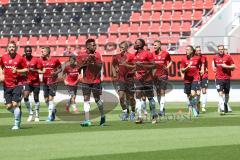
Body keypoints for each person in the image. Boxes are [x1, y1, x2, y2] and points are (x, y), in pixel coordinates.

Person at [127, 39, 157, 124]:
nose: (134, 44)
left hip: (147, 79)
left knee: (150, 97)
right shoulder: (134, 55)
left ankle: (154, 115)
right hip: (138, 79)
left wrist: (143, 65)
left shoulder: (148, 53)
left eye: (136, 43)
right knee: (138, 97)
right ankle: (139, 117)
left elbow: (154, 65)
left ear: (140, 45)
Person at [77, 39, 105, 127]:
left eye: (95, 45)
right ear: (87, 46)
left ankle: (103, 116)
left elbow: (99, 67)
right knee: (86, 99)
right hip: (85, 81)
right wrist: (86, 61)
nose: (95, 46)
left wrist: (94, 60)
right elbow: (78, 68)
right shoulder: (81, 55)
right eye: (93, 45)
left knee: (97, 99)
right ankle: (87, 120)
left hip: (96, 80)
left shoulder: (98, 54)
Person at [0, 41, 28, 129]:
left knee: (15, 104)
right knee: (8, 107)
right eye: (10, 47)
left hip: (17, 84)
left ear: (16, 48)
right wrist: (1, 75)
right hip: (6, 84)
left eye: (13, 47)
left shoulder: (20, 58)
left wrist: (17, 71)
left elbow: (26, 70)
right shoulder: (3, 57)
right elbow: (1, 66)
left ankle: (16, 124)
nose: (11, 48)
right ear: (7, 48)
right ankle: (18, 113)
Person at [112, 41, 136, 121]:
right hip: (121, 79)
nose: (121, 49)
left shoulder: (131, 56)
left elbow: (135, 66)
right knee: (121, 96)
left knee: (131, 97)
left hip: (130, 79)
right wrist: (115, 72)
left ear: (126, 48)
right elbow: (113, 64)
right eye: (120, 47)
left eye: (122, 47)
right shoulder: (117, 56)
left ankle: (133, 112)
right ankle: (125, 112)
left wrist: (129, 68)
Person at [22, 46, 44, 122]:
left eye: (29, 51)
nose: (28, 52)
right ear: (25, 51)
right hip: (27, 81)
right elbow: (20, 69)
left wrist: (33, 69)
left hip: (35, 81)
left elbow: (41, 70)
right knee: (25, 97)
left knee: (36, 98)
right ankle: (31, 113)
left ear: (31, 51)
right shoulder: (22, 60)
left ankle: (37, 115)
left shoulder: (36, 59)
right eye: (27, 51)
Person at [212, 45, 235, 115]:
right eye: (219, 49)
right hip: (218, 79)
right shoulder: (215, 57)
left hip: (227, 78)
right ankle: (222, 109)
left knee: (227, 95)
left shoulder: (228, 57)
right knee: (220, 93)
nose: (221, 50)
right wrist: (213, 68)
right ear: (217, 50)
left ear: (223, 49)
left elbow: (233, 67)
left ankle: (225, 103)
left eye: (222, 49)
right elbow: (214, 63)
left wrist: (226, 66)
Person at [41, 46, 62, 121]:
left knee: (50, 99)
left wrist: (55, 73)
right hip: (45, 82)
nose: (41, 53)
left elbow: (60, 69)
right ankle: (53, 110)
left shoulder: (55, 60)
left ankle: (49, 116)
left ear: (47, 52)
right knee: (46, 100)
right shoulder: (41, 60)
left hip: (53, 82)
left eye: (43, 51)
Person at [152, 40, 172, 116]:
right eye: (153, 45)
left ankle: (161, 110)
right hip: (155, 76)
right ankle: (162, 108)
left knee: (162, 91)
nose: (154, 47)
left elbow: (170, 61)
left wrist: (167, 67)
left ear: (160, 45)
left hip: (163, 75)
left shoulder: (166, 53)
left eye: (155, 45)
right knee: (158, 93)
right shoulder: (152, 54)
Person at [180, 45, 202, 117]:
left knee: (193, 94)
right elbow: (182, 70)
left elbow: (201, 65)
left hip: (195, 78)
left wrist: (202, 70)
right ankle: (191, 108)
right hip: (187, 79)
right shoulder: (183, 59)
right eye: (186, 49)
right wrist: (187, 68)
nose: (186, 51)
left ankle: (194, 108)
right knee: (189, 96)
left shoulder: (197, 58)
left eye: (188, 49)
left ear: (192, 51)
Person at [195, 46, 208, 112]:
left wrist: (205, 69)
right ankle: (197, 105)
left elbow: (206, 65)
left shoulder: (204, 57)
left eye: (200, 50)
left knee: (204, 91)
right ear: (195, 51)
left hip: (204, 75)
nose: (199, 52)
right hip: (197, 76)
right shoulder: (193, 57)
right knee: (198, 93)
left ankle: (203, 106)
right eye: (197, 50)